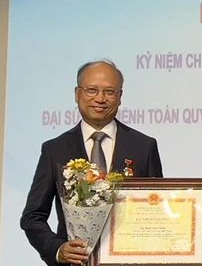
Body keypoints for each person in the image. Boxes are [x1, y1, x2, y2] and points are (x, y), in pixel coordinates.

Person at [20, 59, 163, 265]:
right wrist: (57, 249)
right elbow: (32, 217)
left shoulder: (144, 146)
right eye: (92, 90)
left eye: (110, 91)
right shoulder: (55, 149)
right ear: (77, 94)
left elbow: (156, 208)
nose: (100, 98)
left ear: (120, 97)